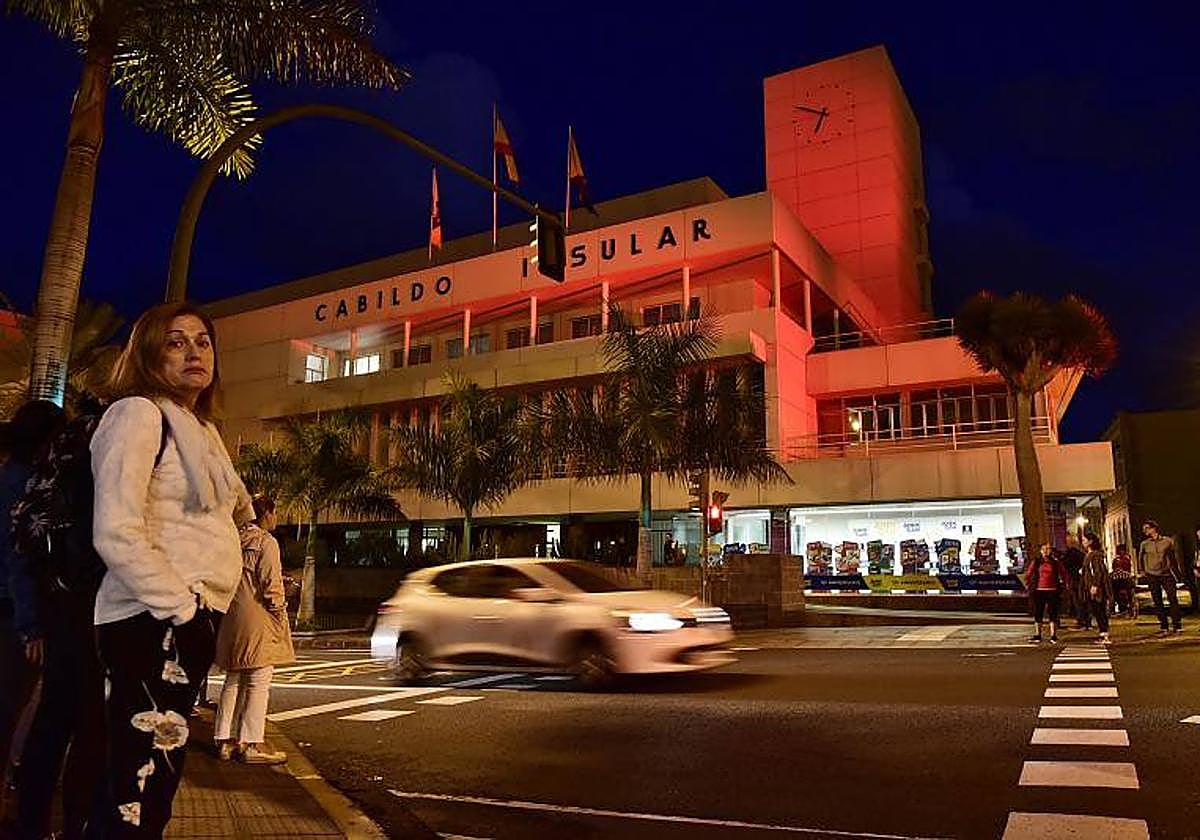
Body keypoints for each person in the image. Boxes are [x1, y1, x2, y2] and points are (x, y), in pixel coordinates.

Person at [90, 302, 253, 838]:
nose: (194, 352)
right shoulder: (137, 414)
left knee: (154, 780)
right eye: (176, 342)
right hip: (151, 616)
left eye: (203, 341)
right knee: (136, 788)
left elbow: (230, 517)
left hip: (184, 617)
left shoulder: (199, 428)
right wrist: (182, 612)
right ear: (147, 354)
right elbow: (115, 527)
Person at [1, 403, 66, 809]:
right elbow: (18, 560)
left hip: (11, 611)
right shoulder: (32, 490)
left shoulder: (9, 480)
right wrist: (31, 627)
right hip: (12, 617)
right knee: (8, 717)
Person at [212, 495, 294, 765]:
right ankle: (251, 743)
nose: (276, 518)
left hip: (232, 615)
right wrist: (280, 610)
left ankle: (224, 740)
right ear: (267, 513)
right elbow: (271, 586)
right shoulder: (266, 542)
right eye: (275, 513)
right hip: (257, 617)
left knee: (233, 679)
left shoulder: (232, 540)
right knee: (259, 681)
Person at [1137, 520, 1182, 635]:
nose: (1145, 531)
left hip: (1166, 574)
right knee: (1157, 600)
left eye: (1147, 528)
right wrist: (1142, 571)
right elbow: (1140, 558)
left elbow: (1173, 557)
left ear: (1154, 528)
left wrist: (1177, 572)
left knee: (1173, 599)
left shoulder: (1167, 541)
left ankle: (1177, 624)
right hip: (1152, 575)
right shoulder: (1145, 544)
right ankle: (1164, 625)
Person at [1024, 544, 1069, 644]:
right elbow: (1029, 573)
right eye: (1044, 549)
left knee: (1053, 613)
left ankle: (1053, 635)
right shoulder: (1036, 562)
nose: (1046, 551)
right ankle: (1038, 634)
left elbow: (1064, 573)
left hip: (1053, 590)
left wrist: (1065, 584)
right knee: (1038, 612)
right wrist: (1027, 584)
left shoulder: (1055, 562)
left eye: (1048, 549)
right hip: (1039, 590)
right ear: (1040, 551)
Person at [1081, 534, 1113, 645]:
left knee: (1099, 610)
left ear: (1090, 542)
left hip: (1096, 589)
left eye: (1084, 540)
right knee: (1098, 610)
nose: (1082, 542)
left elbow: (1097, 571)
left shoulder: (1094, 556)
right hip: (1092, 587)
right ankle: (1103, 633)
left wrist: (1095, 585)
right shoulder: (1091, 555)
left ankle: (1105, 635)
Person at [1061, 538, 1087, 629]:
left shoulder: (1070, 554)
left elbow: (1064, 565)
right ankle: (1085, 620)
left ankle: (1081, 620)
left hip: (1074, 579)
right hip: (1080, 579)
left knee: (1077, 600)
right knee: (1081, 600)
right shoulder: (1081, 554)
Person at [1111, 543, 1136, 617]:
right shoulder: (1118, 559)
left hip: (1123, 580)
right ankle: (1122, 607)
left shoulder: (1125, 559)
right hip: (1119, 580)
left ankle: (1125, 607)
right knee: (1116, 593)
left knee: (1125, 594)